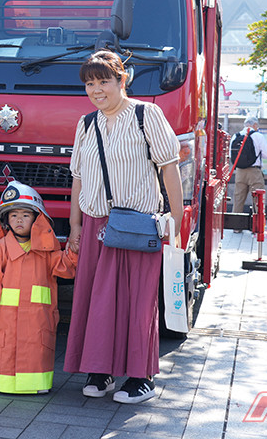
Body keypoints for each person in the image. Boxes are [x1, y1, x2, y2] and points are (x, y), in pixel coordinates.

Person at [64, 50, 183, 404]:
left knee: (138, 302)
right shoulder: (86, 124)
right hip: (96, 224)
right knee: (96, 301)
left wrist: (176, 220)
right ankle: (100, 371)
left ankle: (140, 377)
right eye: (90, 83)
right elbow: (78, 177)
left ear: (122, 80)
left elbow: (169, 166)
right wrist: (74, 224)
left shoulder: (147, 115)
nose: (96, 90)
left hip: (136, 224)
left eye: (103, 81)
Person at [0, 182, 77, 394]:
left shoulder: (48, 253)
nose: (19, 220)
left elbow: (67, 269)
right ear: (6, 220)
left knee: (34, 350)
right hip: (2, 317)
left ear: (37, 220)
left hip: (36, 321)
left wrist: (74, 251)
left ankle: (34, 384)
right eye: (13, 215)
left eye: (25, 215)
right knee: (1, 350)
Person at [231, 117, 267, 212]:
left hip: (240, 171)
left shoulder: (236, 136)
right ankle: (257, 221)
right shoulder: (258, 136)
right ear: (255, 125)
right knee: (258, 200)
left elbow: (231, 154)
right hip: (254, 172)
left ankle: (236, 220)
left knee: (238, 199)